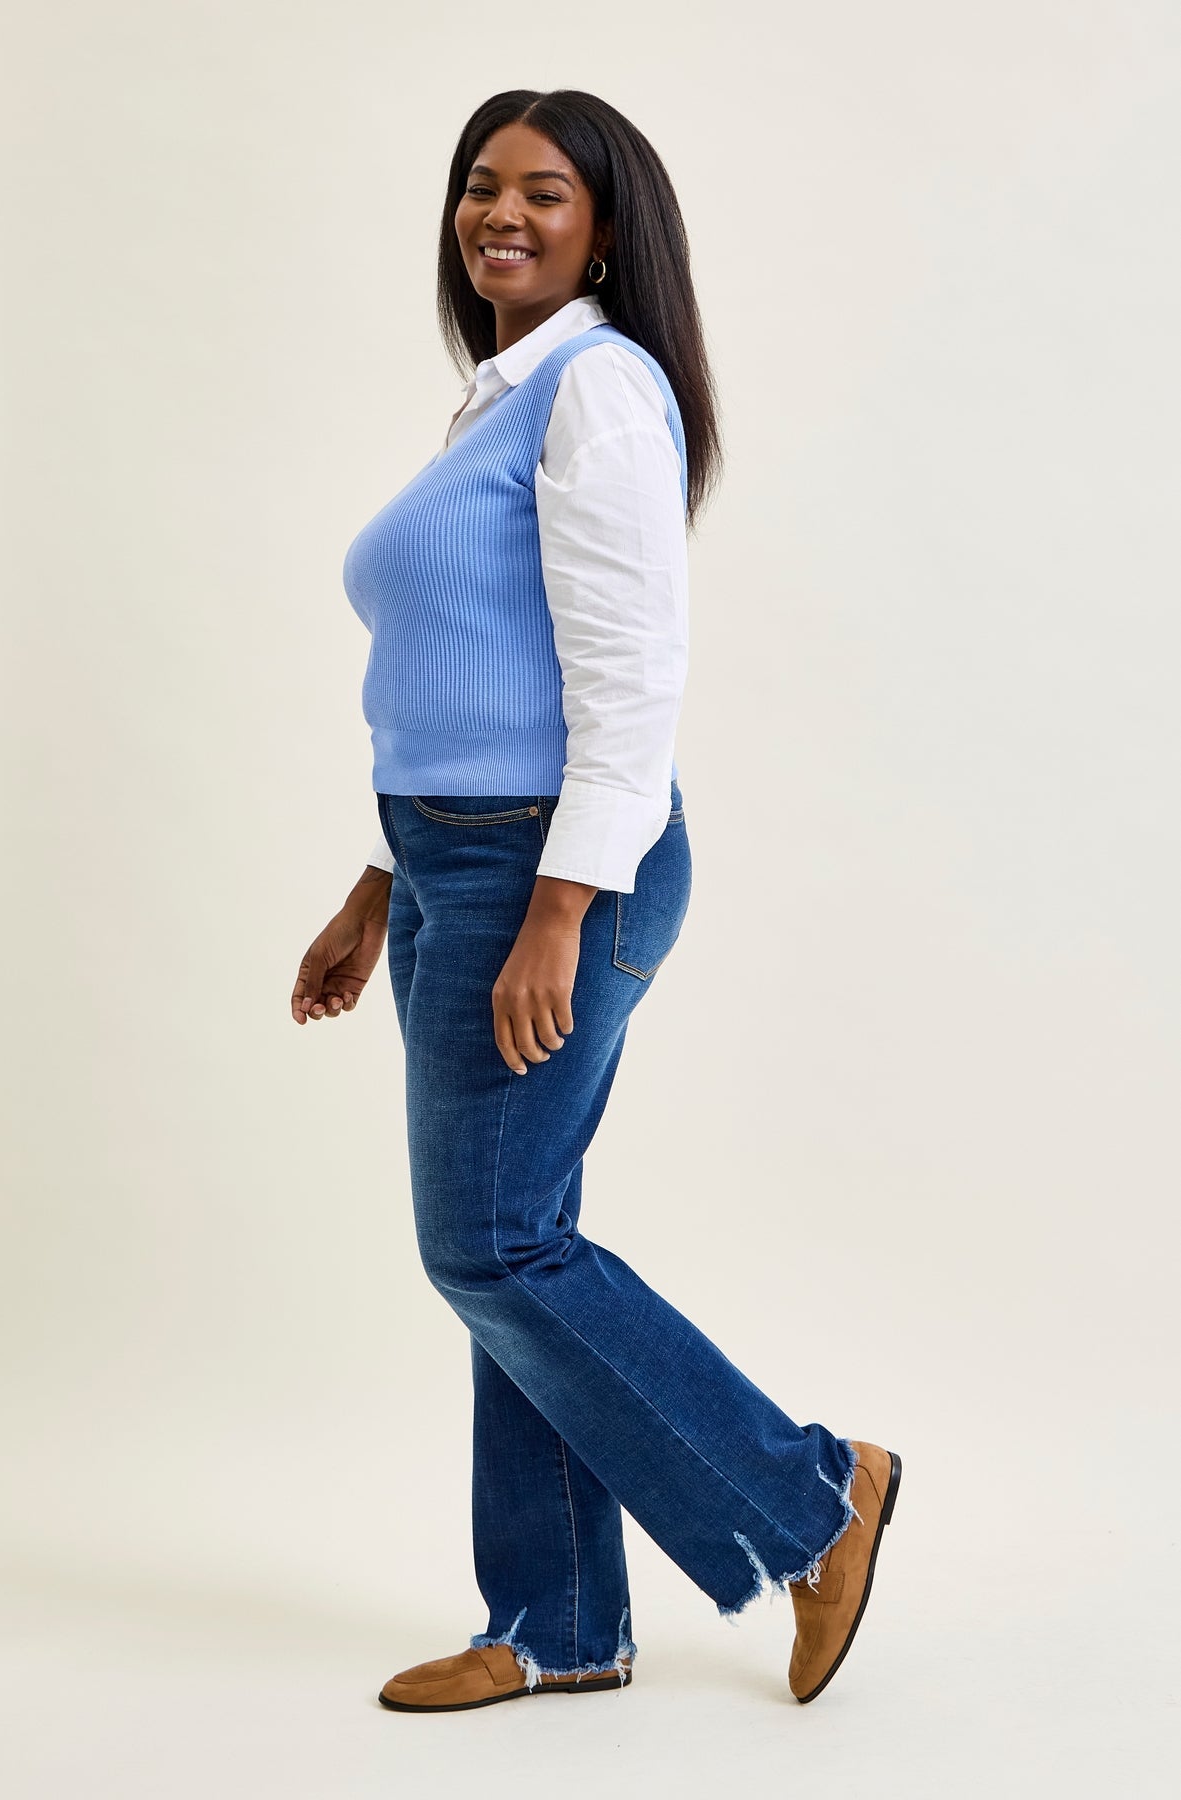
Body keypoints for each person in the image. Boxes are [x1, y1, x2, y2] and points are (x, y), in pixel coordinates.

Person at [290, 87, 901, 1713]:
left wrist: (556, 909)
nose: (500, 213)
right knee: (517, 1243)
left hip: (548, 868)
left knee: (491, 1246)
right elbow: (462, 673)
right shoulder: (496, 400)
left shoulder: (600, 390)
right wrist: (375, 881)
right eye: (479, 185)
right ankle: (558, 1621)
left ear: (608, 228)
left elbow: (630, 679)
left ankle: (813, 1497)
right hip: (452, 861)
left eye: (543, 192)